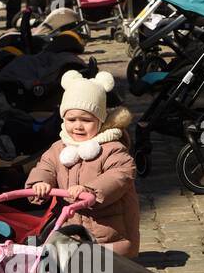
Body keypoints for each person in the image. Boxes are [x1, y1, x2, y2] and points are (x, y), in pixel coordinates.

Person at [26, 71, 140, 257]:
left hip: (109, 232)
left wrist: (91, 191)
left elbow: (120, 175)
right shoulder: (59, 148)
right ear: (63, 120)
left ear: (100, 120)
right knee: (70, 260)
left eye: (86, 120)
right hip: (72, 227)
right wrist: (41, 182)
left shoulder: (111, 148)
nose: (78, 126)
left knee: (99, 267)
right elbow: (46, 166)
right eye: (71, 120)